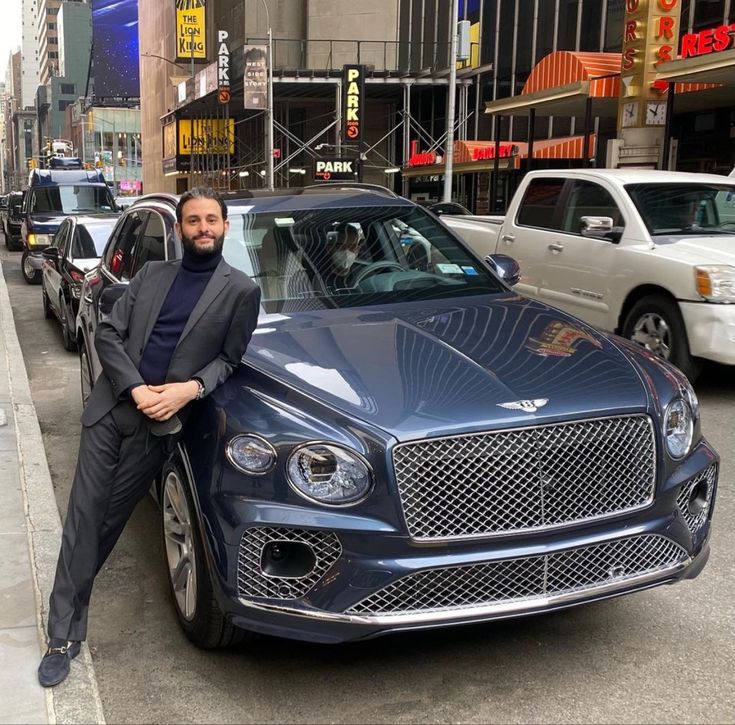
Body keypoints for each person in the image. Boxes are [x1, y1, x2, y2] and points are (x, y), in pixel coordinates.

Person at [38, 187, 261, 687]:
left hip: (156, 427)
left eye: (211, 220)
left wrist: (190, 388)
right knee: (82, 514)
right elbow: (108, 335)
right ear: (180, 230)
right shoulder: (150, 275)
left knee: (107, 522)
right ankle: (63, 634)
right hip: (111, 410)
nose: (202, 228)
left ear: (225, 227)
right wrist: (136, 388)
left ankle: (70, 609)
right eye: (193, 221)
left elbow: (229, 359)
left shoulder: (241, 292)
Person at [320, 221, 367, 292]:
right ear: (329, 249)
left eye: (352, 246)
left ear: (357, 250)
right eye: (340, 246)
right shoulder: (320, 279)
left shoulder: (365, 275)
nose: (346, 251)